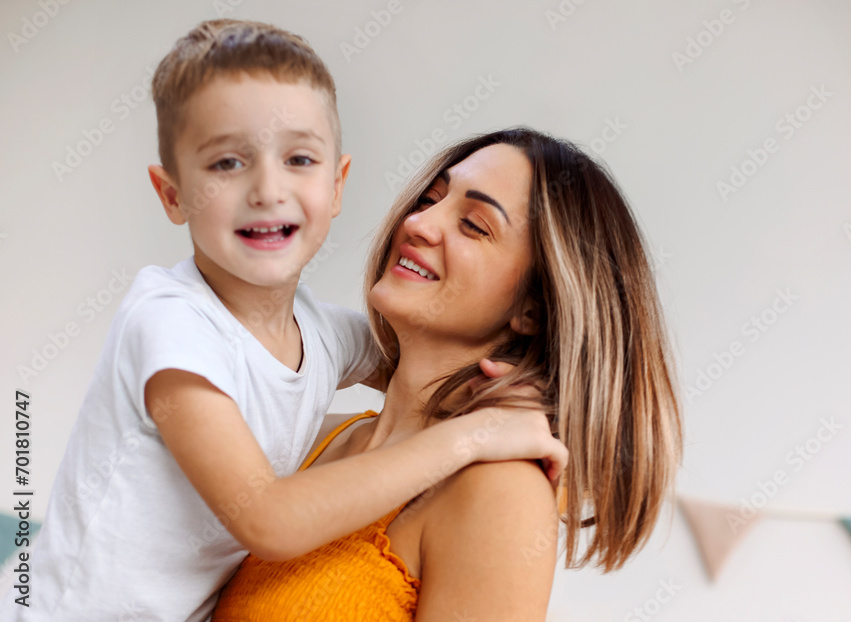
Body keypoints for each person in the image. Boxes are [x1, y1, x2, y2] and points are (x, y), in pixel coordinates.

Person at [0, 23, 565, 622]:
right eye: (227, 162)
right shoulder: (168, 321)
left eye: (298, 159)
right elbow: (269, 519)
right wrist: (474, 435)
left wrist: (530, 405)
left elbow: (406, 369)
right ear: (172, 195)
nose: (267, 190)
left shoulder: (321, 335)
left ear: (337, 184)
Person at [212, 127, 684, 621]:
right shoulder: (317, 436)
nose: (418, 223)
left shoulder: (500, 489)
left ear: (533, 308)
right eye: (430, 199)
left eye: (474, 226)